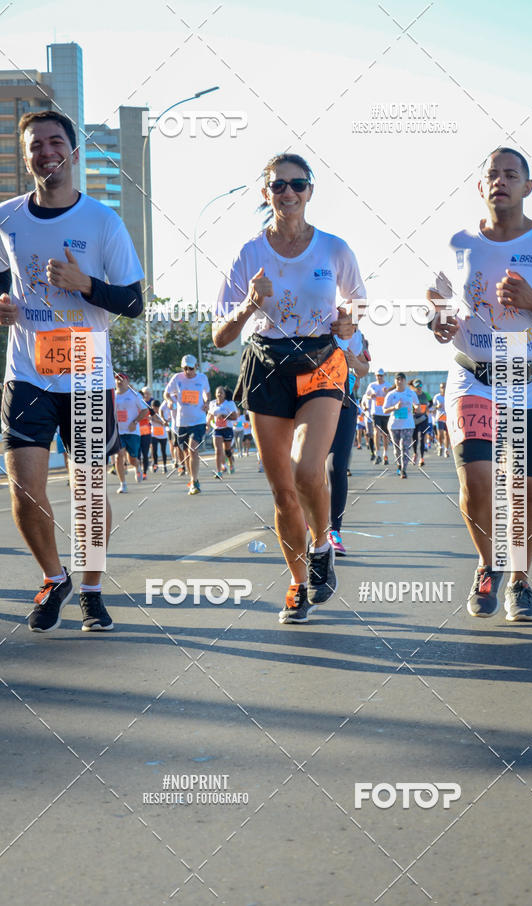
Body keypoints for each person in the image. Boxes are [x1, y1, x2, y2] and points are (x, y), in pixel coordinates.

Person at [427, 146, 532, 621]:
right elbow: (437, 296)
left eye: (511, 174)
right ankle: (487, 564)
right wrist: (437, 319)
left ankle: (519, 580)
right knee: (477, 481)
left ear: (527, 187)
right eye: (492, 174)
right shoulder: (459, 242)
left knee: (525, 492)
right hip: (473, 377)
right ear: (481, 186)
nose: (500, 181)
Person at [0, 110, 144, 632]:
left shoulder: (102, 221)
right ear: (26, 156)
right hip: (27, 371)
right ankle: (53, 576)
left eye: (55, 142)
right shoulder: (6, 218)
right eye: (36, 145)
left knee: (88, 492)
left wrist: (86, 285)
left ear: (73, 151)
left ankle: (91, 590)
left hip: (85, 371)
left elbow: (134, 302)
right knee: (24, 488)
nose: (47, 152)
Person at [213, 152, 364, 623]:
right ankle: (298, 584)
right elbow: (220, 334)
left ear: (310, 191)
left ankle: (322, 545)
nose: (289, 192)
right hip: (266, 364)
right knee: (283, 491)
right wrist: (248, 305)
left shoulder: (334, 249)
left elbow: (357, 304)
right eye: (278, 185)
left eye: (298, 184)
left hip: (321, 361)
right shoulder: (249, 253)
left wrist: (348, 321)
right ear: (267, 193)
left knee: (307, 469)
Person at [326, 330, 369, 555]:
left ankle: (334, 530)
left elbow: (364, 368)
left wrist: (354, 362)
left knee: (336, 466)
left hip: (344, 401)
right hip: (310, 399)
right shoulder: (308, 321)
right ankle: (307, 514)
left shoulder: (354, 333)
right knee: (307, 466)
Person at [164, 354, 210, 495]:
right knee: (186, 454)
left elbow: (207, 393)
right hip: (181, 422)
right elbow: (167, 393)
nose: (188, 371)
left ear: (196, 367)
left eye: (190, 368)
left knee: (192, 449)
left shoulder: (202, 378)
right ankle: (193, 479)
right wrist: (169, 401)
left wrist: (207, 402)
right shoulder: (177, 378)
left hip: (198, 420)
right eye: (185, 368)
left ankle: (194, 481)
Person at [114, 372, 146, 492]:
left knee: (132, 459)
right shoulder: (112, 396)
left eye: (122, 379)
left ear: (127, 382)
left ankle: (137, 466)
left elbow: (144, 410)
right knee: (119, 456)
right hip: (118, 432)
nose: (119, 381)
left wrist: (135, 422)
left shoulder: (134, 395)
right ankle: (123, 484)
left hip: (132, 432)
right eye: (117, 379)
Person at [383, 373, 419, 478]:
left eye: (402, 379)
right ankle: (399, 464)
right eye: (397, 379)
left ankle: (403, 469)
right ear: (395, 381)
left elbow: (417, 405)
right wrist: (394, 407)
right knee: (397, 449)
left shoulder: (411, 393)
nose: (400, 381)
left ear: (405, 381)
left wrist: (416, 407)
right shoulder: (391, 394)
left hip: (408, 424)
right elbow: (385, 410)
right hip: (394, 425)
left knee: (404, 447)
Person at [207, 386, 238, 477]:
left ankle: (231, 463)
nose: (219, 394)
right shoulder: (212, 403)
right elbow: (209, 415)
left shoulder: (229, 403)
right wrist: (207, 424)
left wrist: (224, 416)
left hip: (227, 429)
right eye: (218, 392)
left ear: (225, 395)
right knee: (218, 450)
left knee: (227, 450)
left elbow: (235, 417)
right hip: (217, 429)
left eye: (221, 393)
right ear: (215, 394)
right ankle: (219, 471)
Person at [365, 368, 391, 464]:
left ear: (384, 376)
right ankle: (378, 454)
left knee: (385, 434)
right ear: (375, 376)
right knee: (376, 432)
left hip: (386, 413)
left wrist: (387, 393)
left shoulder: (388, 385)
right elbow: (366, 396)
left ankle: (385, 454)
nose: (379, 377)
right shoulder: (372, 385)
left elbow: (392, 397)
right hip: (375, 412)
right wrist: (370, 396)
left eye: (381, 375)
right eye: (378, 375)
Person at [410, 378, 433, 467]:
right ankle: (415, 454)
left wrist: (428, 407)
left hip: (423, 418)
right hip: (414, 418)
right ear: (414, 387)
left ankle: (422, 458)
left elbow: (431, 402)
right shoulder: (412, 394)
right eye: (417, 387)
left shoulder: (425, 394)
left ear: (422, 386)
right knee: (414, 438)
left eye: (420, 386)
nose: (419, 388)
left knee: (422, 438)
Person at [138, 385, 155, 479]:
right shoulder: (135, 404)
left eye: (147, 394)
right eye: (144, 394)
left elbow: (154, 415)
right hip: (136, 433)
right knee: (137, 454)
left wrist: (150, 418)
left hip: (146, 432)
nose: (145, 395)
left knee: (145, 453)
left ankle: (144, 472)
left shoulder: (148, 406)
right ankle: (138, 470)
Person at [150, 399, 169, 472]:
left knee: (163, 451)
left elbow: (165, 423)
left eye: (156, 408)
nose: (154, 409)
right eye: (153, 408)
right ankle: (155, 466)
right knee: (154, 451)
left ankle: (164, 466)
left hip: (163, 435)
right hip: (154, 434)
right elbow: (149, 420)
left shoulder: (162, 413)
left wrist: (156, 420)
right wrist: (153, 418)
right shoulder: (151, 414)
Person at [433, 381, 450, 457]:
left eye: (444, 387)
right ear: (440, 388)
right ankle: (440, 446)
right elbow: (432, 408)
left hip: (448, 418)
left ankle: (446, 449)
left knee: (447, 435)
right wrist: (437, 406)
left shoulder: (449, 396)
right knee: (440, 434)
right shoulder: (437, 397)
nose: (443, 389)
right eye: (442, 387)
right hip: (439, 418)